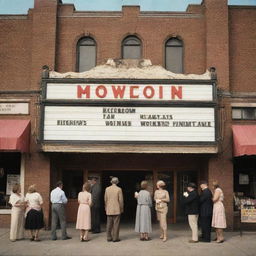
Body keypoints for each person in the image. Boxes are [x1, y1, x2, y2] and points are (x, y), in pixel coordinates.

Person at [104, 177, 123, 242]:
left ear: (111, 182)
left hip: (109, 208)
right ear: (117, 182)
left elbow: (105, 199)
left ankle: (109, 237)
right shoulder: (119, 189)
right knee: (116, 224)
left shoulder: (107, 189)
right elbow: (120, 200)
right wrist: (121, 208)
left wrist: (106, 207)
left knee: (109, 224)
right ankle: (115, 238)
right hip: (116, 208)